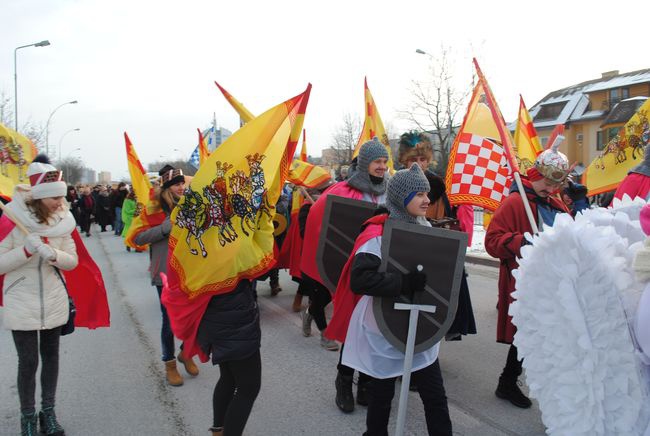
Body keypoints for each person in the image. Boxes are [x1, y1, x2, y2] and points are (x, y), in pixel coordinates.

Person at [330, 164, 452, 436]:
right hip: (385, 327)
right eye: (419, 194)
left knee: (434, 394)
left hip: (421, 327)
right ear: (401, 198)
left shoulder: (427, 230)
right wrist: (402, 282)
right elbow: (360, 280)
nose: (427, 200)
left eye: (426, 193)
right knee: (381, 394)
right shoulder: (377, 235)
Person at [302, 138, 389, 412]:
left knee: (374, 330)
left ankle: (364, 383)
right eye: (377, 162)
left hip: (380, 270)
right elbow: (320, 219)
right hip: (352, 272)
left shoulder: (389, 192)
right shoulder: (344, 191)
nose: (382, 167)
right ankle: (344, 380)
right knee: (354, 330)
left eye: (385, 162)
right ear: (365, 163)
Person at [485, 143, 570, 408]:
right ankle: (508, 382)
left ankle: (545, 386)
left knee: (546, 335)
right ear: (535, 175)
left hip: (553, 280)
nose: (551, 189)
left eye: (556, 184)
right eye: (547, 182)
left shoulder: (554, 204)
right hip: (526, 282)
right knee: (526, 334)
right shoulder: (514, 202)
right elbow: (492, 241)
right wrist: (522, 241)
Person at [0, 155, 78, 436]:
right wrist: (25, 251)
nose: (61, 202)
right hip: (21, 299)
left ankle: (49, 413)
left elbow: (72, 260)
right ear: (39, 198)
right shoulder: (12, 219)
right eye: (55, 198)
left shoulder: (62, 220)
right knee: (29, 362)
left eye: (61, 196)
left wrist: (53, 254)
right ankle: (28, 418)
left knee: (52, 358)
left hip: (54, 300)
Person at [397, 131, 477, 342]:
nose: (419, 164)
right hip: (407, 253)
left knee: (436, 306)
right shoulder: (396, 184)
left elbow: (447, 218)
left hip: (434, 253)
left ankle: (428, 348)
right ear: (404, 161)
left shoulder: (438, 187)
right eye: (413, 159)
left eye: (423, 159)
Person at [134, 165, 199, 386]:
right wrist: (165, 228)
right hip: (165, 271)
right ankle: (169, 363)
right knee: (169, 321)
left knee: (194, 316)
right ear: (166, 188)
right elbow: (137, 238)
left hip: (191, 270)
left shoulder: (191, 205)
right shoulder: (153, 209)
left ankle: (186, 352)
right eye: (176, 184)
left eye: (182, 183)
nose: (181, 187)